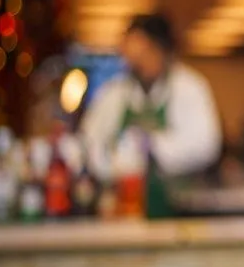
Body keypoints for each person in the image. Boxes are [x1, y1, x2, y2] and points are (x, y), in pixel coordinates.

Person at [80, 13, 222, 217]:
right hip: (123, 207)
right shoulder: (114, 93)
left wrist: (154, 147)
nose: (138, 64)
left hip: (180, 208)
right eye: (132, 58)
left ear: (162, 50)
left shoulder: (190, 87)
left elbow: (207, 144)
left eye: (145, 54)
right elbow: (89, 143)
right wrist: (117, 164)